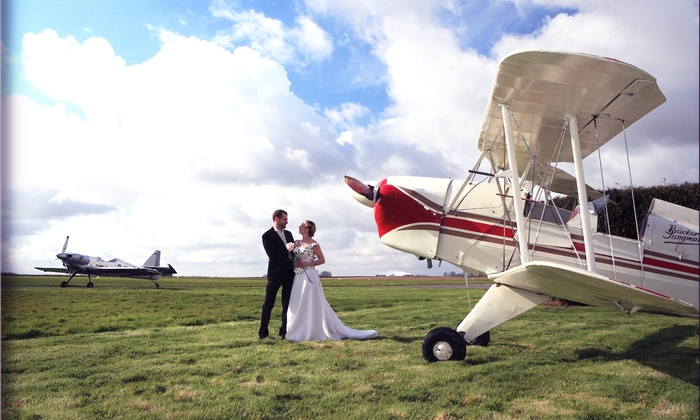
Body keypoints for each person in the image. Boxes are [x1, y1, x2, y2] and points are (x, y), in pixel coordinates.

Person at [285, 220, 378, 342]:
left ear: (307, 229)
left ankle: (312, 329)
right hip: (298, 276)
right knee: (296, 301)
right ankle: (296, 329)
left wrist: (308, 263)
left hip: (310, 275)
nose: (299, 227)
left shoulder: (314, 244)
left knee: (310, 301)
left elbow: (322, 260)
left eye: (302, 225)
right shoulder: (296, 243)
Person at [259, 209, 296, 340]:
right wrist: (291, 263)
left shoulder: (289, 234)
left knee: (288, 303)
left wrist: (296, 260)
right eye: (284, 219)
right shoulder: (267, 236)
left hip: (290, 275)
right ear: (276, 218)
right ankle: (263, 332)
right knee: (269, 303)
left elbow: (294, 252)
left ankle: (284, 332)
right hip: (275, 274)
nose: (287, 221)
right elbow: (273, 256)